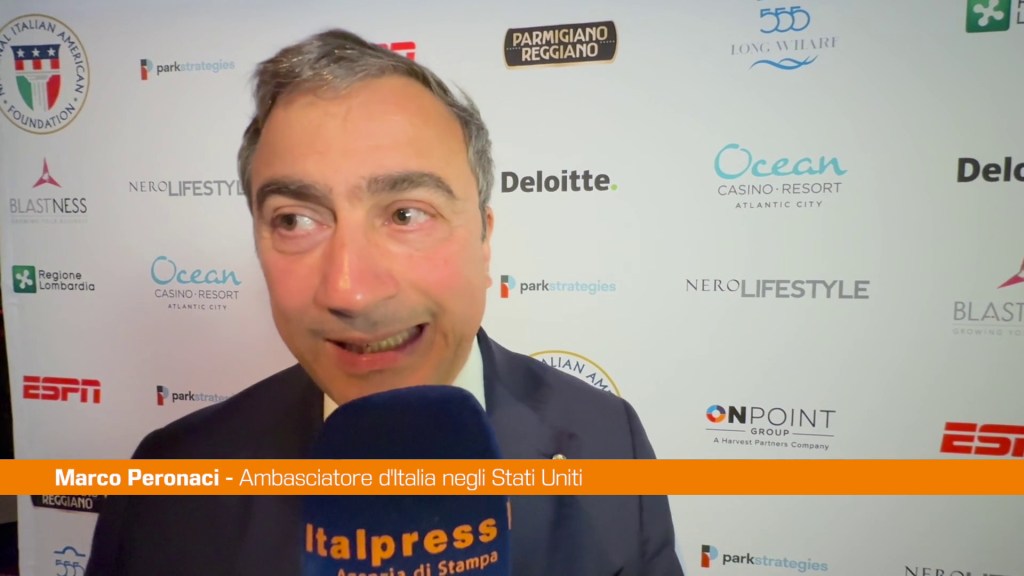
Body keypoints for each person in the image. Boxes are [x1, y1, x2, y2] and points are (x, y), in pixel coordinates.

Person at [85, 29, 685, 576]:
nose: (350, 291)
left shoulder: (610, 439)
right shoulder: (166, 482)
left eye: (405, 215)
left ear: (484, 239)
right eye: (295, 220)